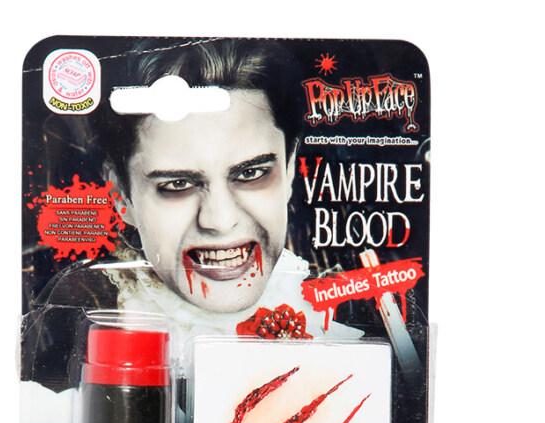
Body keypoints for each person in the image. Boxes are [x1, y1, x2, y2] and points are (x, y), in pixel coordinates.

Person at [95, 38, 361, 348]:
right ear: (120, 195)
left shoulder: (345, 313)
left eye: (250, 173)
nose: (220, 221)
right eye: (178, 184)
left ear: (290, 168)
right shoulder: (88, 319)